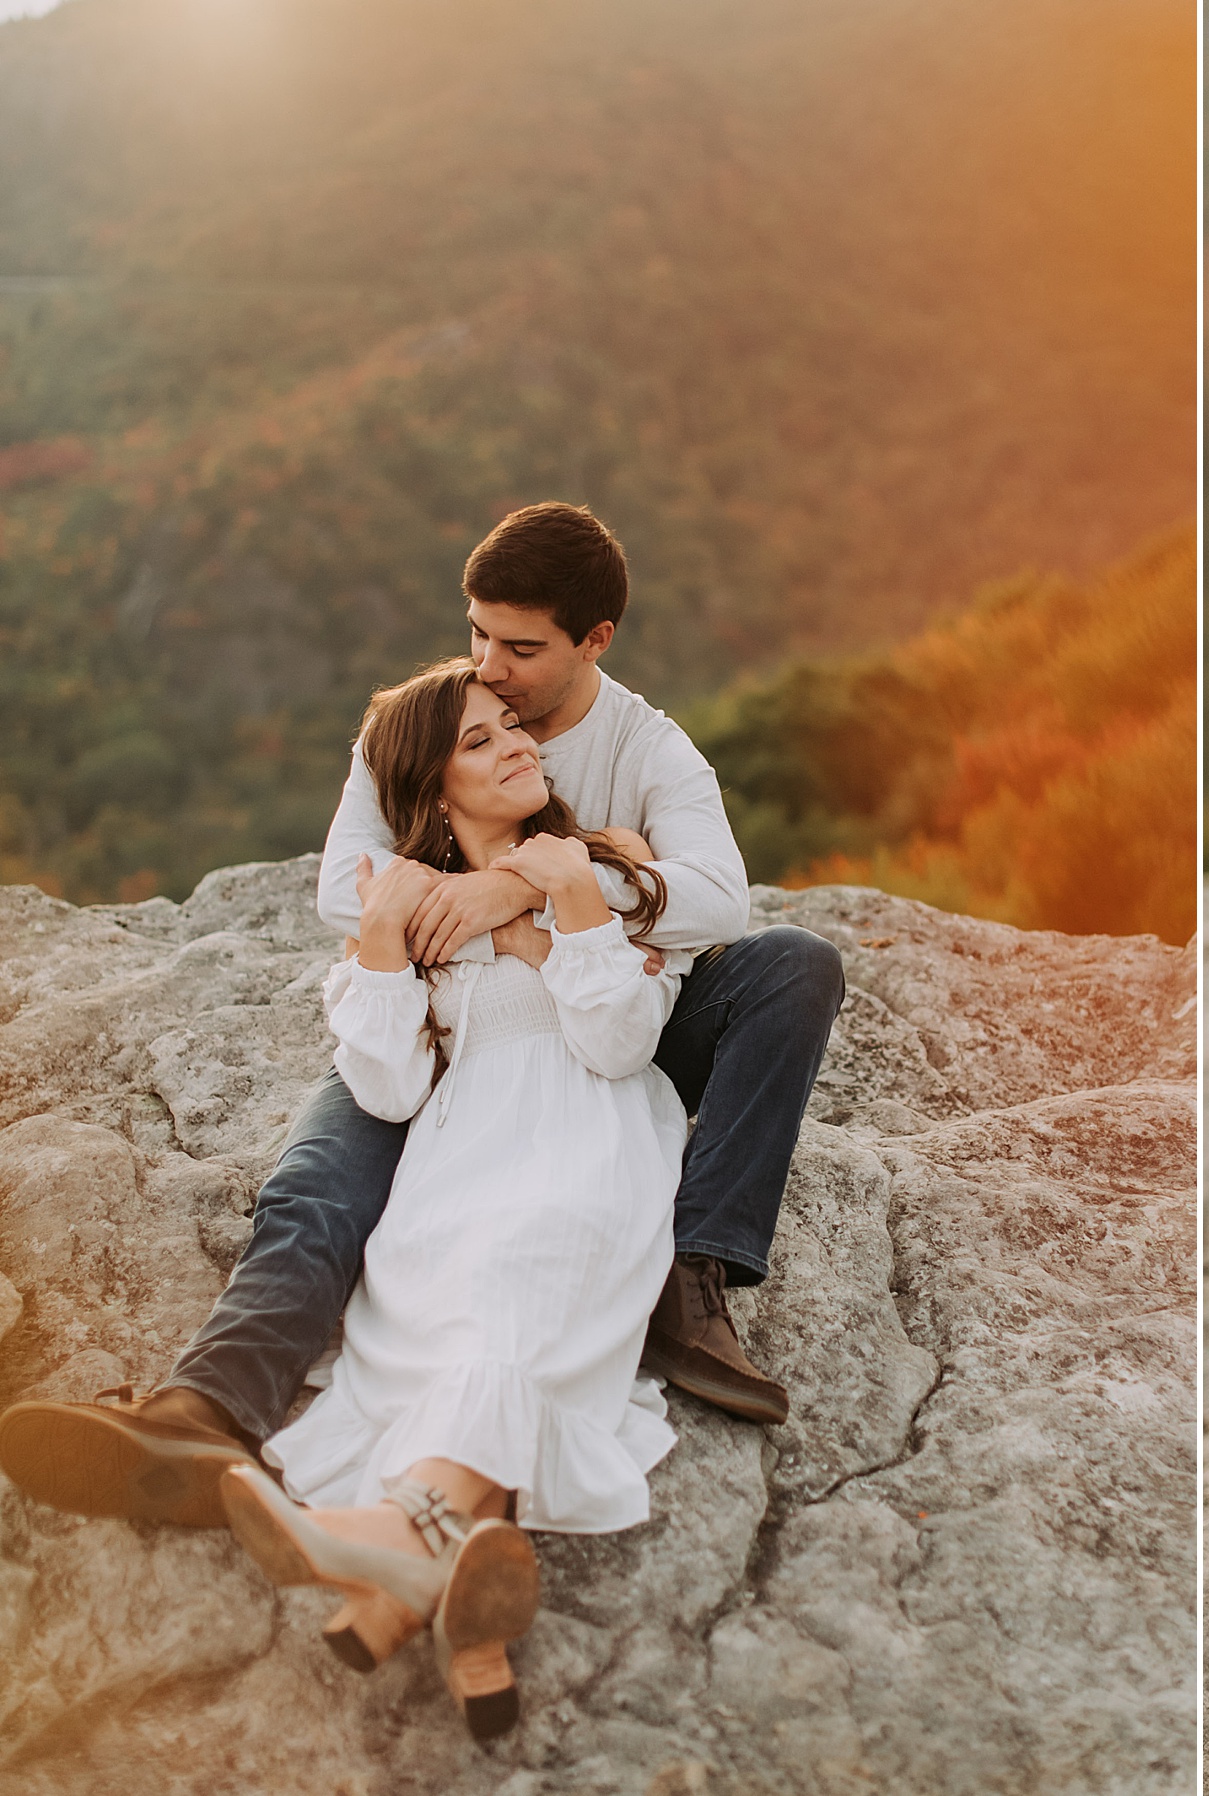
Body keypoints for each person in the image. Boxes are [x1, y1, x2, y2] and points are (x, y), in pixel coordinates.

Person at [0, 502, 846, 1531]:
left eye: (521, 647)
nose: (489, 663)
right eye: (477, 632)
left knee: (794, 966)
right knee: (318, 1182)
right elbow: (344, 894)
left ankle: (690, 1278)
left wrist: (530, 891)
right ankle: (207, 1409)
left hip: (611, 1003)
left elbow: (720, 898)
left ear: (595, 640)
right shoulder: (431, 719)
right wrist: (488, 921)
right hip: (447, 1009)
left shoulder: (649, 747)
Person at [219, 659, 691, 1738]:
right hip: (451, 1159)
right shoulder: (401, 904)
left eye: (510, 726)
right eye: (479, 742)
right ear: (434, 794)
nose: (518, 743)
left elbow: (620, 1044)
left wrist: (566, 901)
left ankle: (387, 1531)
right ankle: (441, 1595)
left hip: (586, 1138)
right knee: (450, 1311)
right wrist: (383, 936)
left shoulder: (605, 862)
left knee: (523, 1272)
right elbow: (384, 1086)